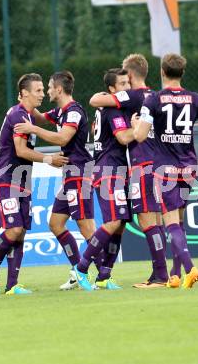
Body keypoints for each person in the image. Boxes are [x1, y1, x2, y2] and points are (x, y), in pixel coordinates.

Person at [133, 53, 198, 289]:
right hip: (189, 167)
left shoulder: (153, 100)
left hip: (165, 169)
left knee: (170, 221)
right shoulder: (196, 99)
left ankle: (190, 269)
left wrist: (136, 126)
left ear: (162, 72)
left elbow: (140, 136)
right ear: (182, 73)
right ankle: (174, 275)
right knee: (180, 222)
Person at [90, 54, 169, 288]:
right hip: (159, 162)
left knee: (146, 221)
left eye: (126, 77)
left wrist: (111, 97)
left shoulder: (132, 96)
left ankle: (160, 276)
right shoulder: (156, 96)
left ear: (131, 75)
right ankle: (161, 273)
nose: (125, 81)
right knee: (155, 220)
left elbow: (95, 101)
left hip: (141, 164)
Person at [0, 73, 68, 295]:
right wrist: (50, 159)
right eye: (38, 90)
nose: (42, 94)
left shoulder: (28, 116)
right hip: (4, 179)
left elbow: (44, 119)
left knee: (20, 233)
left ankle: (12, 284)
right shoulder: (19, 115)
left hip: (21, 179)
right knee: (14, 229)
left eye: (43, 89)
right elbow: (21, 150)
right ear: (24, 93)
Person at [14, 71, 96, 290]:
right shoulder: (60, 112)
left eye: (48, 87)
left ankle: (105, 273)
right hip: (70, 175)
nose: (46, 91)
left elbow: (62, 138)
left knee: (86, 225)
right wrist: (25, 102)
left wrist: (32, 129)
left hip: (80, 172)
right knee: (56, 224)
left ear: (59, 89)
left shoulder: (74, 112)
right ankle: (78, 268)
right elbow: (40, 117)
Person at [72, 68, 132, 291]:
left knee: (120, 224)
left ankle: (105, 275)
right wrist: (140, 126)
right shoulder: (113, 110)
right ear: (111, 89)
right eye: (123, 84)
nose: (127, 87)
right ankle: (82, 267)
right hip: (109, 171)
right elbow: (124, 137)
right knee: (114, 221)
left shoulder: (108, 108)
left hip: (116, 169)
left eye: (128, 82)